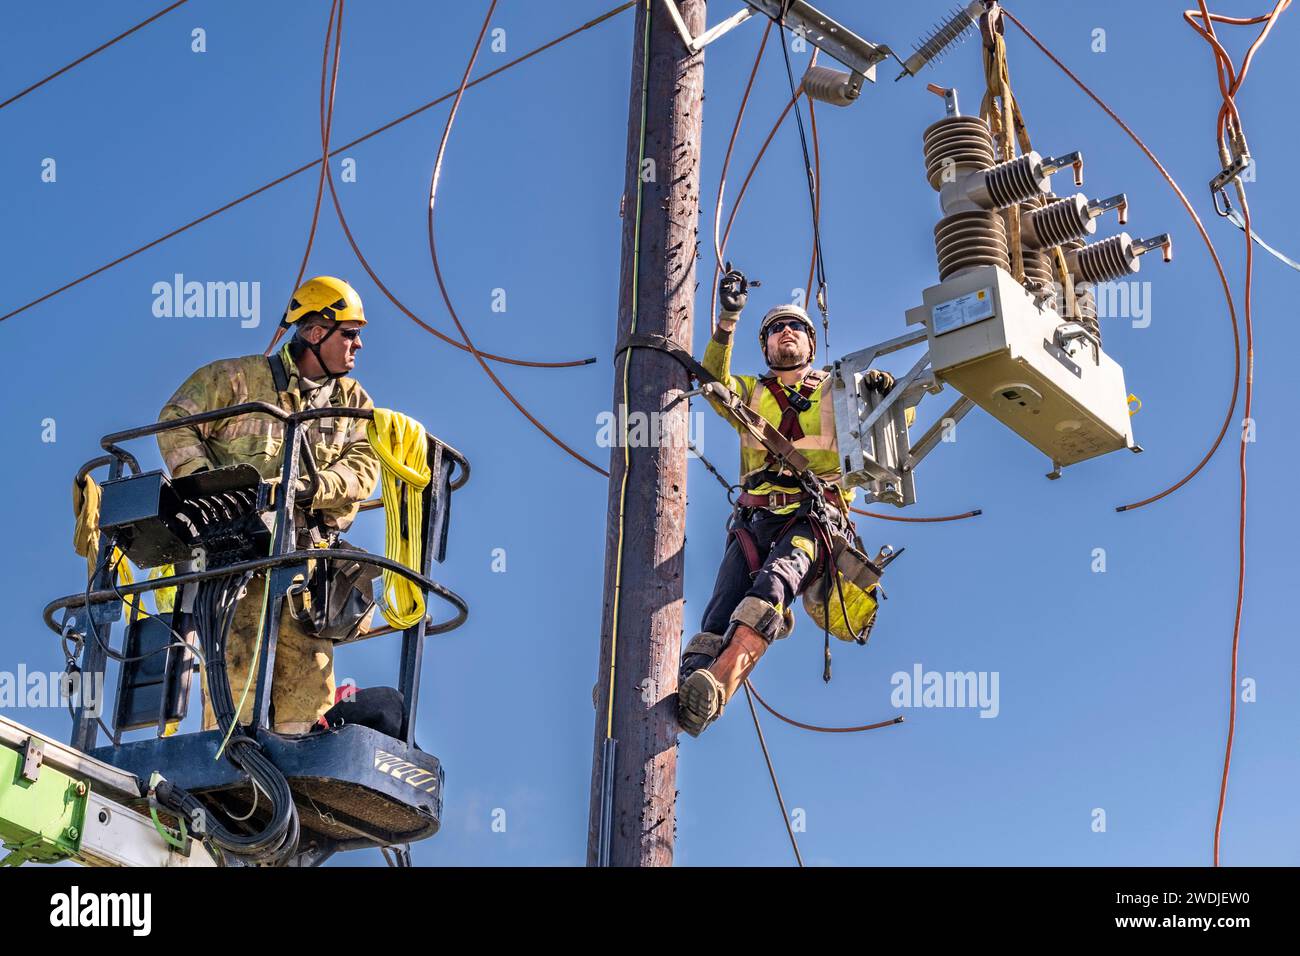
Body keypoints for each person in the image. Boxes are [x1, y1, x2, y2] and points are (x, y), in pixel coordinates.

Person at [676, 266, 896, 737]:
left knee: (774, 586)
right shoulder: (752, 392)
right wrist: (729, 318)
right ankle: (687, 690)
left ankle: (716, 686)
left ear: (811, 345)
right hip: (755, 518)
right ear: (767, 346)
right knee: (718, 609)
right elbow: (711, 379)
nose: (786, 332)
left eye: (795, 326)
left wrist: (884, 389)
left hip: (812, 518)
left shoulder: (841, 391)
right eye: (775, 329)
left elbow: (890, 425)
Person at [156, 276, 380, 735]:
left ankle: (299, 774)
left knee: (308, 678)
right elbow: (175, 421)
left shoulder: (355, 404)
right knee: (235, 669)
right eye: (349, 333)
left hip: (307, 565)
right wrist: (209, 488)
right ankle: (232, 762)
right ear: (315, 332)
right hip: (235, 561)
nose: (358, 345)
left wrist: (309, 488)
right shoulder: (236, 380)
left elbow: (364, 466)